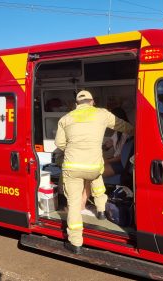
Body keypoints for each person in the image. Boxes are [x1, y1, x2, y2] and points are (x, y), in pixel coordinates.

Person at [54, 90, 134, 254]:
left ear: (76, 105)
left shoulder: (65, 119)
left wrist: (74, 147)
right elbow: (124, 126)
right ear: (92, 102)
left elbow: (60, 143)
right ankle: (101, 210)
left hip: (73, 167)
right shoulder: (102, 114)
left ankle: (75, 243)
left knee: (74, 204)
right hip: (93, 166)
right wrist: (136, 131)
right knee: (96, 177)